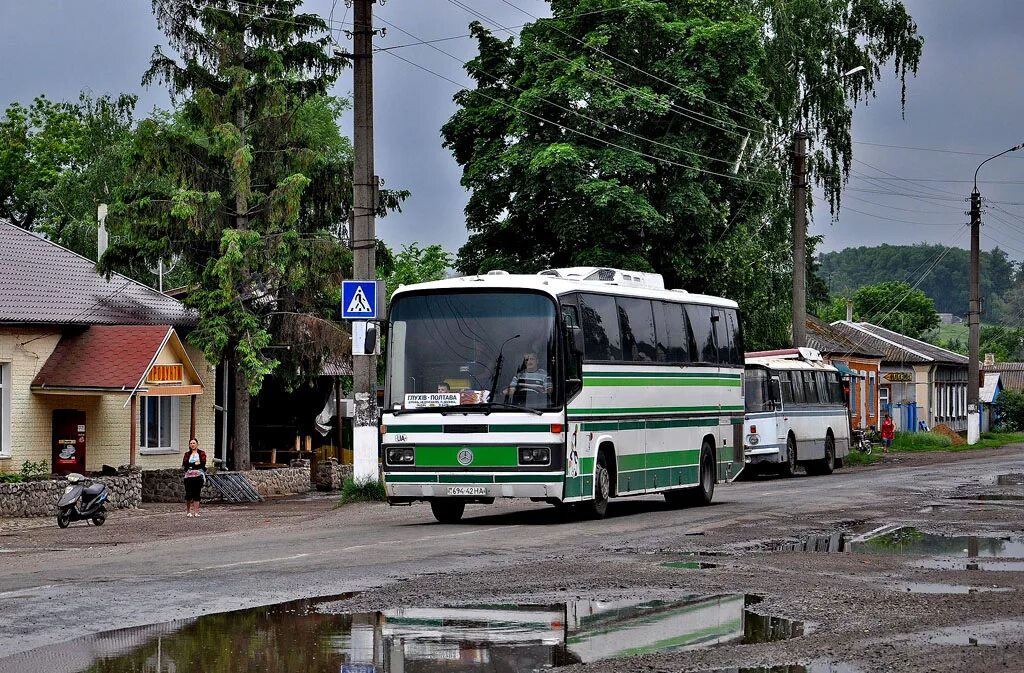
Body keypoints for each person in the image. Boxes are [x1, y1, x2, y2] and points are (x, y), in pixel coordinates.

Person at [182, 438, 207, 518]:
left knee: (197, 493)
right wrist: (194, 464)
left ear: (197, 444)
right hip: (188, 476)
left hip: (198, 475)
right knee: (188, 494)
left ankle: (196, 512)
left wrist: (192, 465)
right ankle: (188, 511)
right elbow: (185, 464)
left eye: (194, 443)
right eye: (191, 443)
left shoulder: (201, 453)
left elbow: (202, 463)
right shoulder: (187, 454)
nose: (192, 445)